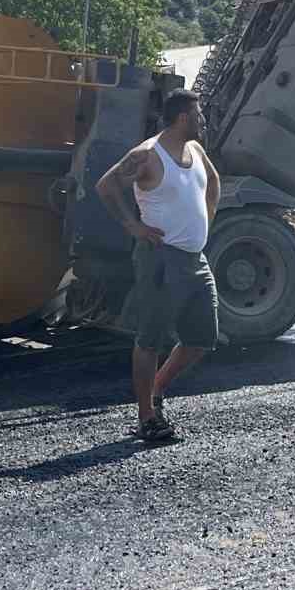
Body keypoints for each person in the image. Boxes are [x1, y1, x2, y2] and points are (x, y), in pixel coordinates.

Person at [96, 88, 221, 443]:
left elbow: (213, 182)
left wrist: (206, 220)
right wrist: (132, 226)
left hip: (195, 259)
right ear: (182, 118)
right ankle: (146, 418)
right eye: (198, 115)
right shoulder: (147, 156)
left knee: (202, 338)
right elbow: (106, 186)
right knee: (150, 339)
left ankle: (156, 391)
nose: (203, 121)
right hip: (160, 259)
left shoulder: (195, 150)